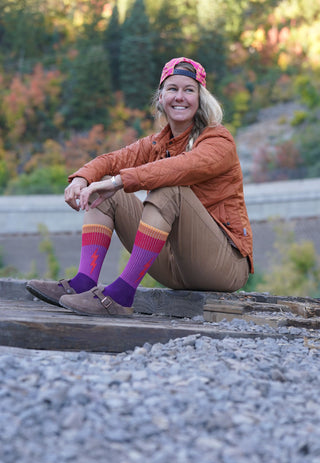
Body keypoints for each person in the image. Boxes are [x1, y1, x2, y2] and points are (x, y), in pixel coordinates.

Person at [26, 56, 254, 317]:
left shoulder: (218, 140)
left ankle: (120, 296)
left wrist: (117, 181)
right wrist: (82, 179)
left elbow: (181, 168)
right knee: (108, 195)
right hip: (175, 266)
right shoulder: (157, 143)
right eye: (172, 89)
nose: (180, 97)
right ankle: (83, 282)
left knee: (169, 187)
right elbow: (111, 160)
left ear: (201, 99)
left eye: (189, 90)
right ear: (160, 98)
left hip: (224, 267)